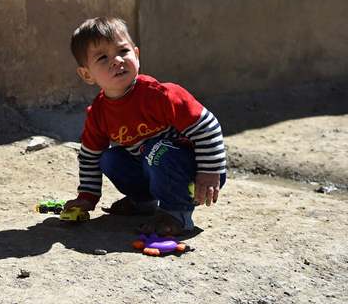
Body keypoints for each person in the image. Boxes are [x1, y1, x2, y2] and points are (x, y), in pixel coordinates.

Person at [62, 17, 227, 234]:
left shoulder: (161, 95)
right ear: (87, 74)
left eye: (123, 51)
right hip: (151, 168)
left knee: (155, 150)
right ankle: (143, 202)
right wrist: (87, 197)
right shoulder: (100, 113)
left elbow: (208, 127)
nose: (117, 61)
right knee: (109, 158)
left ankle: (176, 214)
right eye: (103, 57)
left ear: (137, 55)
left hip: (193, 172)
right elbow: (89, 156)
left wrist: (210, 172)